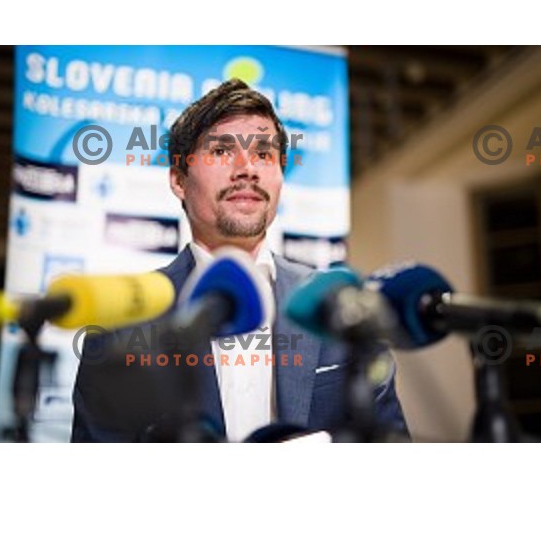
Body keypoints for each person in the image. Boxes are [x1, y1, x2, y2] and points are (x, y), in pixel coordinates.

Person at [71, 79, 407, 442]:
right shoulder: (120, 326)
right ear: (179, 180)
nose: (247, 169)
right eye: (221, 152)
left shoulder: (344, 310)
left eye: (264, 154)